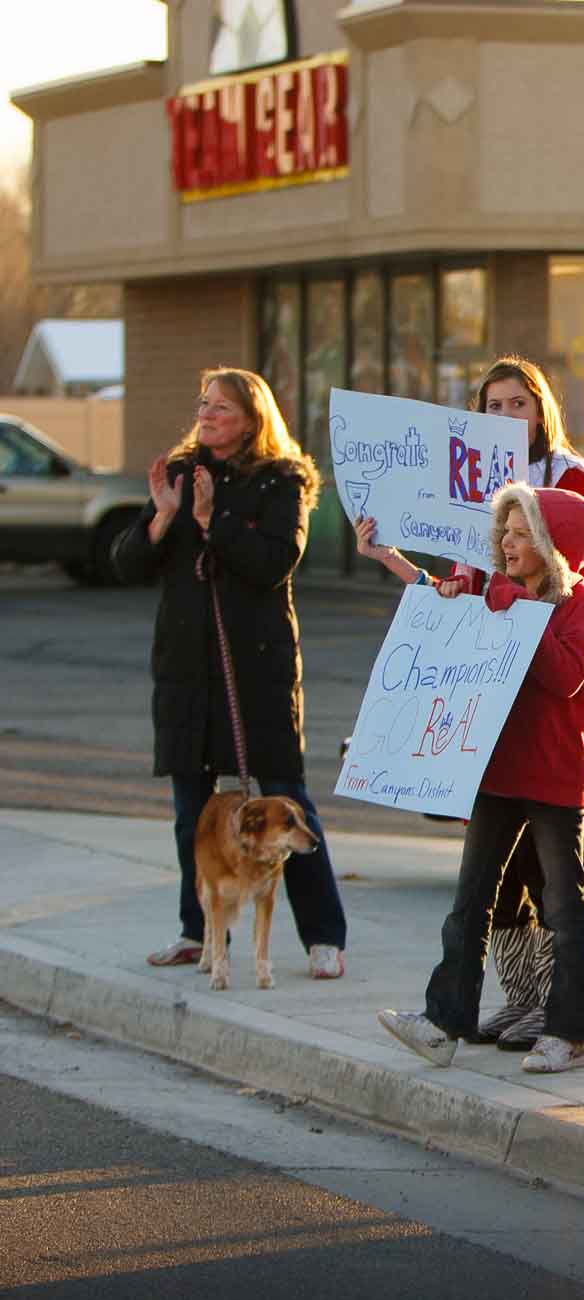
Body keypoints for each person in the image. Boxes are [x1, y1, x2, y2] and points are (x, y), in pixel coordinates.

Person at [356, 356, 584, 1051]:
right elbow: (462, 596)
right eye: (492, 406)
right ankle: (469, 1012)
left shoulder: (572, 565)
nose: (506, 543)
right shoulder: (494, 547)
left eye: (517, 404)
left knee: (561, 899)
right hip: (496, 745)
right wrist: (401, 564)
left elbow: (562, 663)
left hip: (552, 762)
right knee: (478, 895)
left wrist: (514, 600)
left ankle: (566, 1023)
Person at [111, 367, 349, 979]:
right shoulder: (183, 471)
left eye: (220, 406)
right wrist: (163, 518)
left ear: (251, 416)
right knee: (192, 807)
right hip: (188, 669)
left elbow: (275, 561)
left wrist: (215, 519)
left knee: (286, 801)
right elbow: (126, 564)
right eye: (203, 404)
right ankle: (198, 931)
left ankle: (323, 936)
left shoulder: (282, 481)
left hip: (256, 670)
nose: (206, 413)